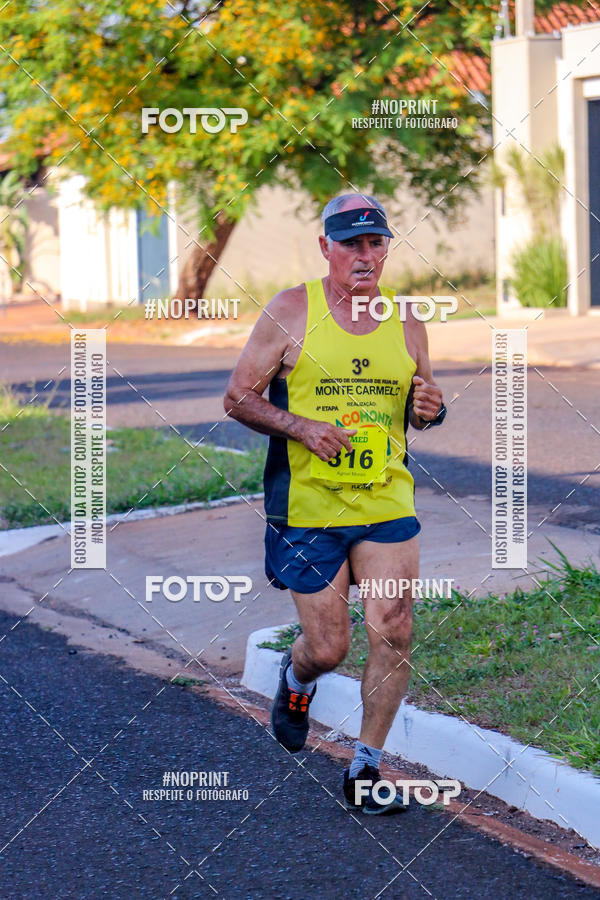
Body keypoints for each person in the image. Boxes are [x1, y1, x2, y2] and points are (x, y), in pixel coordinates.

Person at [224, 193, 446, 814]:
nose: (365, 255)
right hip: (310, 508)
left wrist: (431, 409)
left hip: (385, 501)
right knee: (329, 647)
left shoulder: (407, 322)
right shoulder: (292, 310)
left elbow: (421, 404)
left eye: (376, 243)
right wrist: (302, 428)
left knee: (394, 629)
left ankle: (366, 770)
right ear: (326, 248)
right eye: (351, 243)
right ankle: (297, 681)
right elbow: (238, 398)